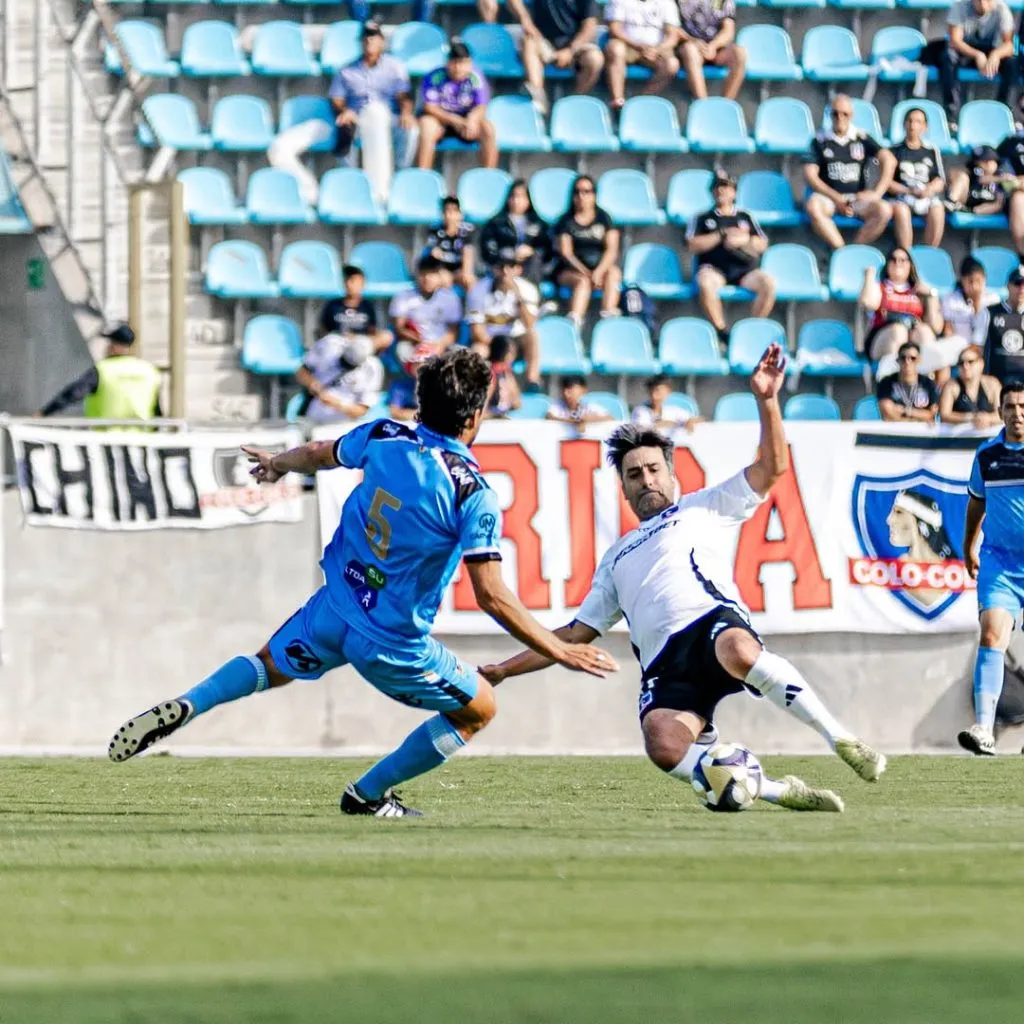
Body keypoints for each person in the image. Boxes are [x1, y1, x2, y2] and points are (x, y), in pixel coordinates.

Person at [108, 349, 616, 817]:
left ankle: (193, 702)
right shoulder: (470, 490)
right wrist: (559, 649)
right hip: (392, 644)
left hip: (335, 607)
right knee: (478, 707)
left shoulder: (383, 436)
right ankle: (367, 796)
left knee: (268, 665)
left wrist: (276, 463)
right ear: (475, 417)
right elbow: (491, 594)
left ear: (420, 403)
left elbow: (320, 451)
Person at [481, 345, 886, 812]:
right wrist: (504, 670)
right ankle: (776, 789)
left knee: (739, 650)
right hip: (666, 667)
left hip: (711, 625)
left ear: (671, 475)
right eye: (634, 474)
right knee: (663, 745)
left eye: (653, 469)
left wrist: (767, 400)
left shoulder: (704, 505)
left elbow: (773, 467)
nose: (645, 479)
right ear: (625, 488)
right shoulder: (615, 558)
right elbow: (573, 634)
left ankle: (842, 741)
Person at [269, 22, 414, 205]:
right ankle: (309, 190)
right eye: (366, 38)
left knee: (375, 112)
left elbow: (404, 96)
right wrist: (345, 112)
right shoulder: (347, 71)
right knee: (279, 147)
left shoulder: (395, 67)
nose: (369, 41)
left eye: (373, 37)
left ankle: (379, 193)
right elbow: (336, 99)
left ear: (382, 42)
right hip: (352, 119)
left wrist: (406, 113)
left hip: (386, 120)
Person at [959, 379, 1024, 755]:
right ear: (1000, 412)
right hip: (999, 562)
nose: (1017, 413)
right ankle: (984, 728)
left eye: (1022, 406)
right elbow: (975, 506)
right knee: (992, 636)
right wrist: (970, 546)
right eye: (1011, 406)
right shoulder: (987, 456)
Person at [687, 171, 774, 348]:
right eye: (718, 187)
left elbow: (762, 243)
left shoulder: (745, 217)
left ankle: (751, 330)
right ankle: (722, 331)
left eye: (726, 187)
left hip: (745, 270)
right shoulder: (703, 218)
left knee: (768, 283)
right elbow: (692, 244)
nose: (721, 191)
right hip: (715, 269)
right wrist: (721, 236)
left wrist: (744, 239)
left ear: (734, 192)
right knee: (704, 281)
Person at [803, 94, 895, 250]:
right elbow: (810, 175)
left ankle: (854, 250)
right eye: (835, 113)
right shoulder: (819, 140)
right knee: (813, 206)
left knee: (884, 210)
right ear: (829, 115)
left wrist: (877, 193)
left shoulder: (862, 137)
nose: (840, 117)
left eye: (844, 113)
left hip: (858, 198)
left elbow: (889, 160)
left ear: (851, 115)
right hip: (829, 198)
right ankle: (841, 250)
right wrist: (836, 198)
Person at [37, 324, 162, 421]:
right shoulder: (149, 371)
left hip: (108, 443)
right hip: (143, 444)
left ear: (113, 346)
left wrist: (44, 413)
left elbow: (73, 394)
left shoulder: (103, 370)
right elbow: (156, 409)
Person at [506, 0, 603, 115]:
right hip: (543, 42)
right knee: (528, 42)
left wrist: (570, 51)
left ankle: (574, 102)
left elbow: (589, 27)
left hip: (576, 45)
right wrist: (525, 20)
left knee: (595, 59)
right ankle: (537, 97)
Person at [416, 41, 497, 171]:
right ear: (447, 62)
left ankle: (489, 175)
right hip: (441, 120)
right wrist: (454, 120)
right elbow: (430, 107)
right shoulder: (435, 76)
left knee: (488, 129)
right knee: (426, 126)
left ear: (470, 63)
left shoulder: (476, 77)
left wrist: (472, 119)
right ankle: (423, 174)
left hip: (466, 122)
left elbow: (481, 106)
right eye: (454, 63)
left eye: (463, 63)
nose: (458, 68)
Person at [553, 174, 622, 327]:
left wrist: (597, 272)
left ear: (594, 195)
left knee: (614, 273)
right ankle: (575, 320)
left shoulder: (604, 218)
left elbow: (611, 250)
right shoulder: (565, 221)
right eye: (577, 192)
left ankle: (608, 314)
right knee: (582, 282)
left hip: (598, 268)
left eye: (586, 191)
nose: (581, 196)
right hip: (571, 270)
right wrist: (587, 273)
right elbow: (566, 253)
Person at [859, 247, 943, 370]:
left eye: (903, 260)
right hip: (884, 338)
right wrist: (869, 277)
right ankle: (893, 378)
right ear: (887, 265)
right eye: (893, 259)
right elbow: (867, 302)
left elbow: (937, 327)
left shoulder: (918, 290)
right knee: (898, 331)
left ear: (910, 265)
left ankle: (924, 380)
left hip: (912, 339)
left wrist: (931, 294)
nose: (898, 263)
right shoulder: (881, 287)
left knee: (924, 332)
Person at [466, 253, 541, 389]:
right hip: (489, 341)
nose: (505, 271)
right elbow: (476, 331)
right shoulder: (478, 290)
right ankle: (476, 389)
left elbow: (530, 324)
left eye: (511, 266)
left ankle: (532, 381)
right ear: (494, 268)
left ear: (519, 269)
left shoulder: (528, 289)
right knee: (478, 350)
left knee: (532, 337)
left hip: (516, 340)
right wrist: (500, 349)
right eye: (501, 266)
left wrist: (518, 297)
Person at [940, 0, 1014, 129]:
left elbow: (1009, 45)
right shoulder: (959, 6)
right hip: (965, 51)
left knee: (1012, 63)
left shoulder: (1002, 9)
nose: (983, 4)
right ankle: (951, 114)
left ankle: (1003, 110)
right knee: (948, 57)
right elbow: (954, 41)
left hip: (992, 51)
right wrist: (977, 55)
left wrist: (996, 55)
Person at [886, 489, 959, 609]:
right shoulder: (893, 569)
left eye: (898, 512)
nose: (889, 520)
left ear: (922, 524)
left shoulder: (952, 570)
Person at [604, 0, 680, 111]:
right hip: (628, 46)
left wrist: (657, 50)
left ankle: (640, 101)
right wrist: (637, 46)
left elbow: (673, 37)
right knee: (615, 48)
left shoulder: (667, 3)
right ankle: (618, 101)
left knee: (672, 64)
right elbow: (614, 30)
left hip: (656, 49)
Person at [888, 107, 946, 249]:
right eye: (910, 121)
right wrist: (908, 190)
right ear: (904, 124)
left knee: (938, 209)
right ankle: (906, 255)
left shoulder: (931, 150)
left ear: (925, 127)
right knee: (902, 211)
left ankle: (929, 253)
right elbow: (887, 183)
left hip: (925, 195)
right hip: (902, 196)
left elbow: (940, 180)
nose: (913, 125)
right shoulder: (894, 150)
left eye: (918, 122)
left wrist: (929, 190)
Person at [294, 333, 383, 424]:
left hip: (344, 424)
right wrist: (313, 385)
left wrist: (336, 403)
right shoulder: (330, 343)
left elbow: (362, 410)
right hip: (313, 417)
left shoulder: (372, 368)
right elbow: (301, 372)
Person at [479, 179, 551, 289]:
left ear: (528, 200)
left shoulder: (538, 224)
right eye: (513, 196)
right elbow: (488, 250)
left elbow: (547, 250)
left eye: (521, 196)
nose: (516, 201)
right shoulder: (496, 223)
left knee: (534, 261)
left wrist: (531, 251)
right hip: (503, 268)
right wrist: (510, 256)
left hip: (529, 270)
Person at [389, 256, 463, 356]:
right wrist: (420, 341)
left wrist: (439, 345)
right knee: (402, 350)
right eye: (423, 273)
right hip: (413, 343)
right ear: (417, 275)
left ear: (439, 276)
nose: (427, 278)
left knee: (460, 353)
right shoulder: (403, 297)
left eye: (432, 273)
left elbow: (453, 332)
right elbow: (400, 328)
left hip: (442, 345)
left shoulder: (450, 298)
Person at [675, 0, 745, 101]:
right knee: (689, 50)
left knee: (739, 53)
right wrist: (694, 41)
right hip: (690, 47)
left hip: (716, 49)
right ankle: (703, 104)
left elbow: (728, 31)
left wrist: (713, 46)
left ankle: (726, 104)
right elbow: (673, 29)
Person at [319, 265, 391, 354]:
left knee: (387, 336)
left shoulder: (368, 306)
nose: (349, 284)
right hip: (338, 345)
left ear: (362, 283)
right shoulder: (333, 305)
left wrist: (357, 338)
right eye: (346, 280)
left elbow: (373, 332)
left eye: (353, 280)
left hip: (361, 345)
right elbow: (323, 331)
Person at [942, 256, 999, 351]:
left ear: (985, 279)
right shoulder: (950, 299)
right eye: (970, 281)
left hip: (985, 345)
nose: (974, 286)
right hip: (959, 345)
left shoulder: (993, 299)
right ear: (962, 280)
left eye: (978, 281)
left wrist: (977, 304)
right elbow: (948, 330)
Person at [876, 340, 940, 422]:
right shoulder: (886, 382)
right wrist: (919, 417)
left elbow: (932, 413)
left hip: (921, 431)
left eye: (912, 358)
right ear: (897, 360)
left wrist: (906, 411)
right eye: (903, 358)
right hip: (894, 431)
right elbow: (887, 411)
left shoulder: (928, 383)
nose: (907, 362)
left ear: (919, 360)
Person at [939, 344, 1002, 427]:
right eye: (961, 363)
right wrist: (970, 418)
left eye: (970, 361)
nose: (965, 366)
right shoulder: (952, 386)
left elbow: (1002, 414)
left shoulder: (992, 384)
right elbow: (944, 415)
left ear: (981, 364)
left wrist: (987, 418)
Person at [423, 196, 477, 292]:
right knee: (433, 281)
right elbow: (435, 254)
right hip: (442, 271)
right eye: (446, 211)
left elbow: (468, 253)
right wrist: (442, 272)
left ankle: (472, 307)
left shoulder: (467, 230)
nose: (449, 215)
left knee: (470, 280)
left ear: (460, 214)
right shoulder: (435, 230)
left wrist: (465, 272)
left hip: (459, 271)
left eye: (454, 211)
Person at [983, 268, 1024, 383]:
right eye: (1017, 283)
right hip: (997, 380)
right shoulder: (990, 312)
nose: (1021, 289)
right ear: (1008, 286)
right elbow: (980, 348)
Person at [945, 146, 1007, 220]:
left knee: (998, 204)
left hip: (984, 207)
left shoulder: (1000, 175)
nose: (987, 164)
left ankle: (972, 211)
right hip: (966, 202)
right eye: (983, 161)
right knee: (962, 177)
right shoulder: (975, 171)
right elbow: (981, 179)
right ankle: (952, 203)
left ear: (996, 162)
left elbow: (999, 202)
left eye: (990, 160)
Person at [995, 101, 1024, 257]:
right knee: (1019, 198)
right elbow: (1001, 177)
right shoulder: (1010, 142)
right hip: (1015, 194)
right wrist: (1017, 182)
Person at [631, 374, 703, 431]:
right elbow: (645, 430)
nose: (654, 395)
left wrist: (691, 421)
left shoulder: (672, 410)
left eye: (658, 391)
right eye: (651, 391)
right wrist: (672, 424)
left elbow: (699, 419)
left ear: (668, 391)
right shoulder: (640, 411)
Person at [546, 374, 614, 424]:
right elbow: (549, 416)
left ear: (583, 390)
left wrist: (588, 420)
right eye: (564, 390)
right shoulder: (559, 405)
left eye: (570, 390)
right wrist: (571, 421)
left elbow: (610, 418)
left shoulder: (588, 406)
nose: (566, 394)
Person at [484, 335, 523, 418]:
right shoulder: (490, 372)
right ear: (501, 352)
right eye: (511, 352)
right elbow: (483, 407)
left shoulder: (506, 371)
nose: (514, 356)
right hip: (491, 417)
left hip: (502, 415)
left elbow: (517, 403)